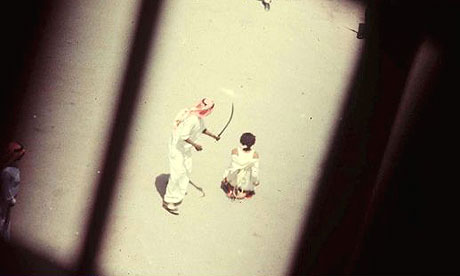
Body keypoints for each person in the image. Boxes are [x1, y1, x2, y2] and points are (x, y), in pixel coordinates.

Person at [163, 98, 220, 215]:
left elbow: (202, 129)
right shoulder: (192, 119)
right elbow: (183, 136)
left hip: (185, 149)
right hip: (178, 148)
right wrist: (195, 145)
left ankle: (177, 190)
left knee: (186, 170)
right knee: (177, 173)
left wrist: (213, 136)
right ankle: (169, 201)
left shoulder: (198, 116)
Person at [221, 132, 260, 200]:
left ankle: (231, 190)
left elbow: (233, 168)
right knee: (249, 177)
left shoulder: (235, 151)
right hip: (246, 183)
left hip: (234, 180)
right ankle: (244, 192)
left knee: (229, 171)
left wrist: (227, 179)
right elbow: (254, 173)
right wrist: (255, 182)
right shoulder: (255, 154)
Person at [0, 142, 26, 241]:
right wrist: (11, 200)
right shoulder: (7, 171)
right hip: (5, 202)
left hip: (8, 203)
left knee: (6, 221)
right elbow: (6, 189)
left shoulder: (14, 167)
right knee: (2, 221)